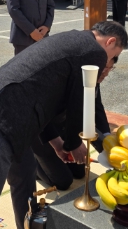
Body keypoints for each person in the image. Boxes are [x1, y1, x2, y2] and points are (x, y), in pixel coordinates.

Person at [0, 21, 127, 229]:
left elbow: (45, 99)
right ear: (111, 41)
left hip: (17, 117)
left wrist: (58, 143)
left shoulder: (77, 43)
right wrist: (73, 144)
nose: (108, 63)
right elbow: (78, 103)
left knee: (24, 179)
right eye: (114, 56)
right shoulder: (93, 51)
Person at [32, 55, 117, 190]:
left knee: (79, 172)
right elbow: (43, 114)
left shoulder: (94, 77)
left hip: (64, 127)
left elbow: (97, 108)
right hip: (43, 130)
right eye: (104, 67)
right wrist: (62, 143)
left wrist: (107, 139)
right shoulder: (69, 78)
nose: (106, 72)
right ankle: (32, 161)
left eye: (110, 68)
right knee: (63, 182)